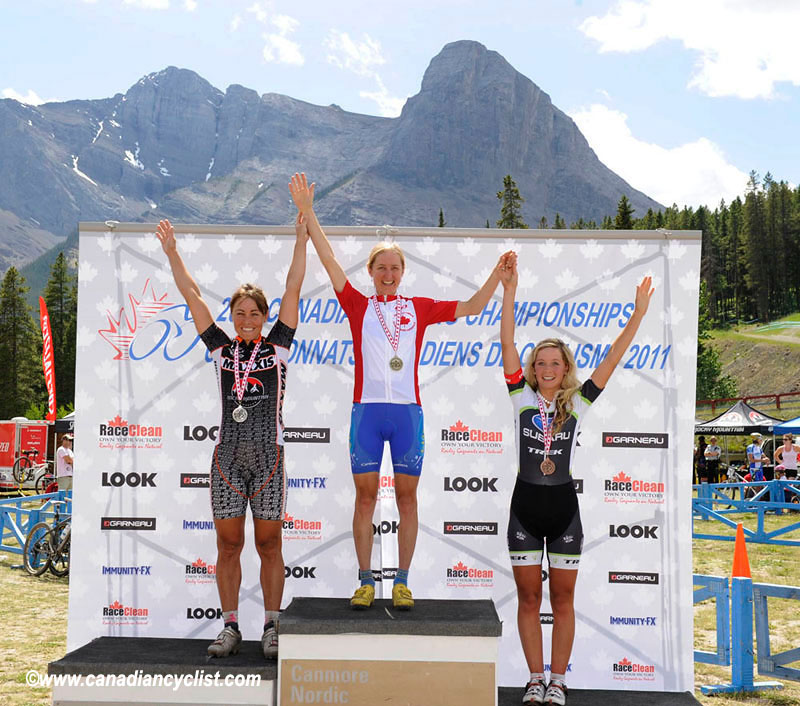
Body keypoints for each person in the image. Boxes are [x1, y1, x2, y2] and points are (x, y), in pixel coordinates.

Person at [289, 172, 511, 611]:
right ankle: (366, 580)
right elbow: (330, 259)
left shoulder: (419, 308)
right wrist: (308, 212)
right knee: (366, 498)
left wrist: (497, 277)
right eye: (381, 267)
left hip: (408, 414)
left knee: (407, 498)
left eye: (395, 268)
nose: (388, 274)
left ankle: (404, 582)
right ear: (370, 273)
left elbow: (471, 308)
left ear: (403, 273)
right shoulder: (357, 304)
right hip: (366, 413)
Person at [499, 254, 652, 706]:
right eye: (540, 362)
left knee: (562, 601)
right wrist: (509, 291)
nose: (547, 369)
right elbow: (506, 340)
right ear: (532, 369)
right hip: (524, 508)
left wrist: (637, 314)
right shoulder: (518, 397)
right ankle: (533, 678)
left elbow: (612, 358)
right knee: (529, 600)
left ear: (565, 367)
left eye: (555, 362)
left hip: (564, 510)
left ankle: (558, 681)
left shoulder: (579, 403)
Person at [156, 215, 307, 659]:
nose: (245, 320)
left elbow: (294, 285)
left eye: (253, 313)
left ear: (264, 317)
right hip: (226, 459)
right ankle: (230, 626)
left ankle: (272, 627)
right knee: (227, 544)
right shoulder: (221, 350)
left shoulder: (278, 345)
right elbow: (192, 295)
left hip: (268, 460)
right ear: (233, 318)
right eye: (239, 314)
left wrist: (301, 239)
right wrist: (172, 254)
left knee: (269, 544)